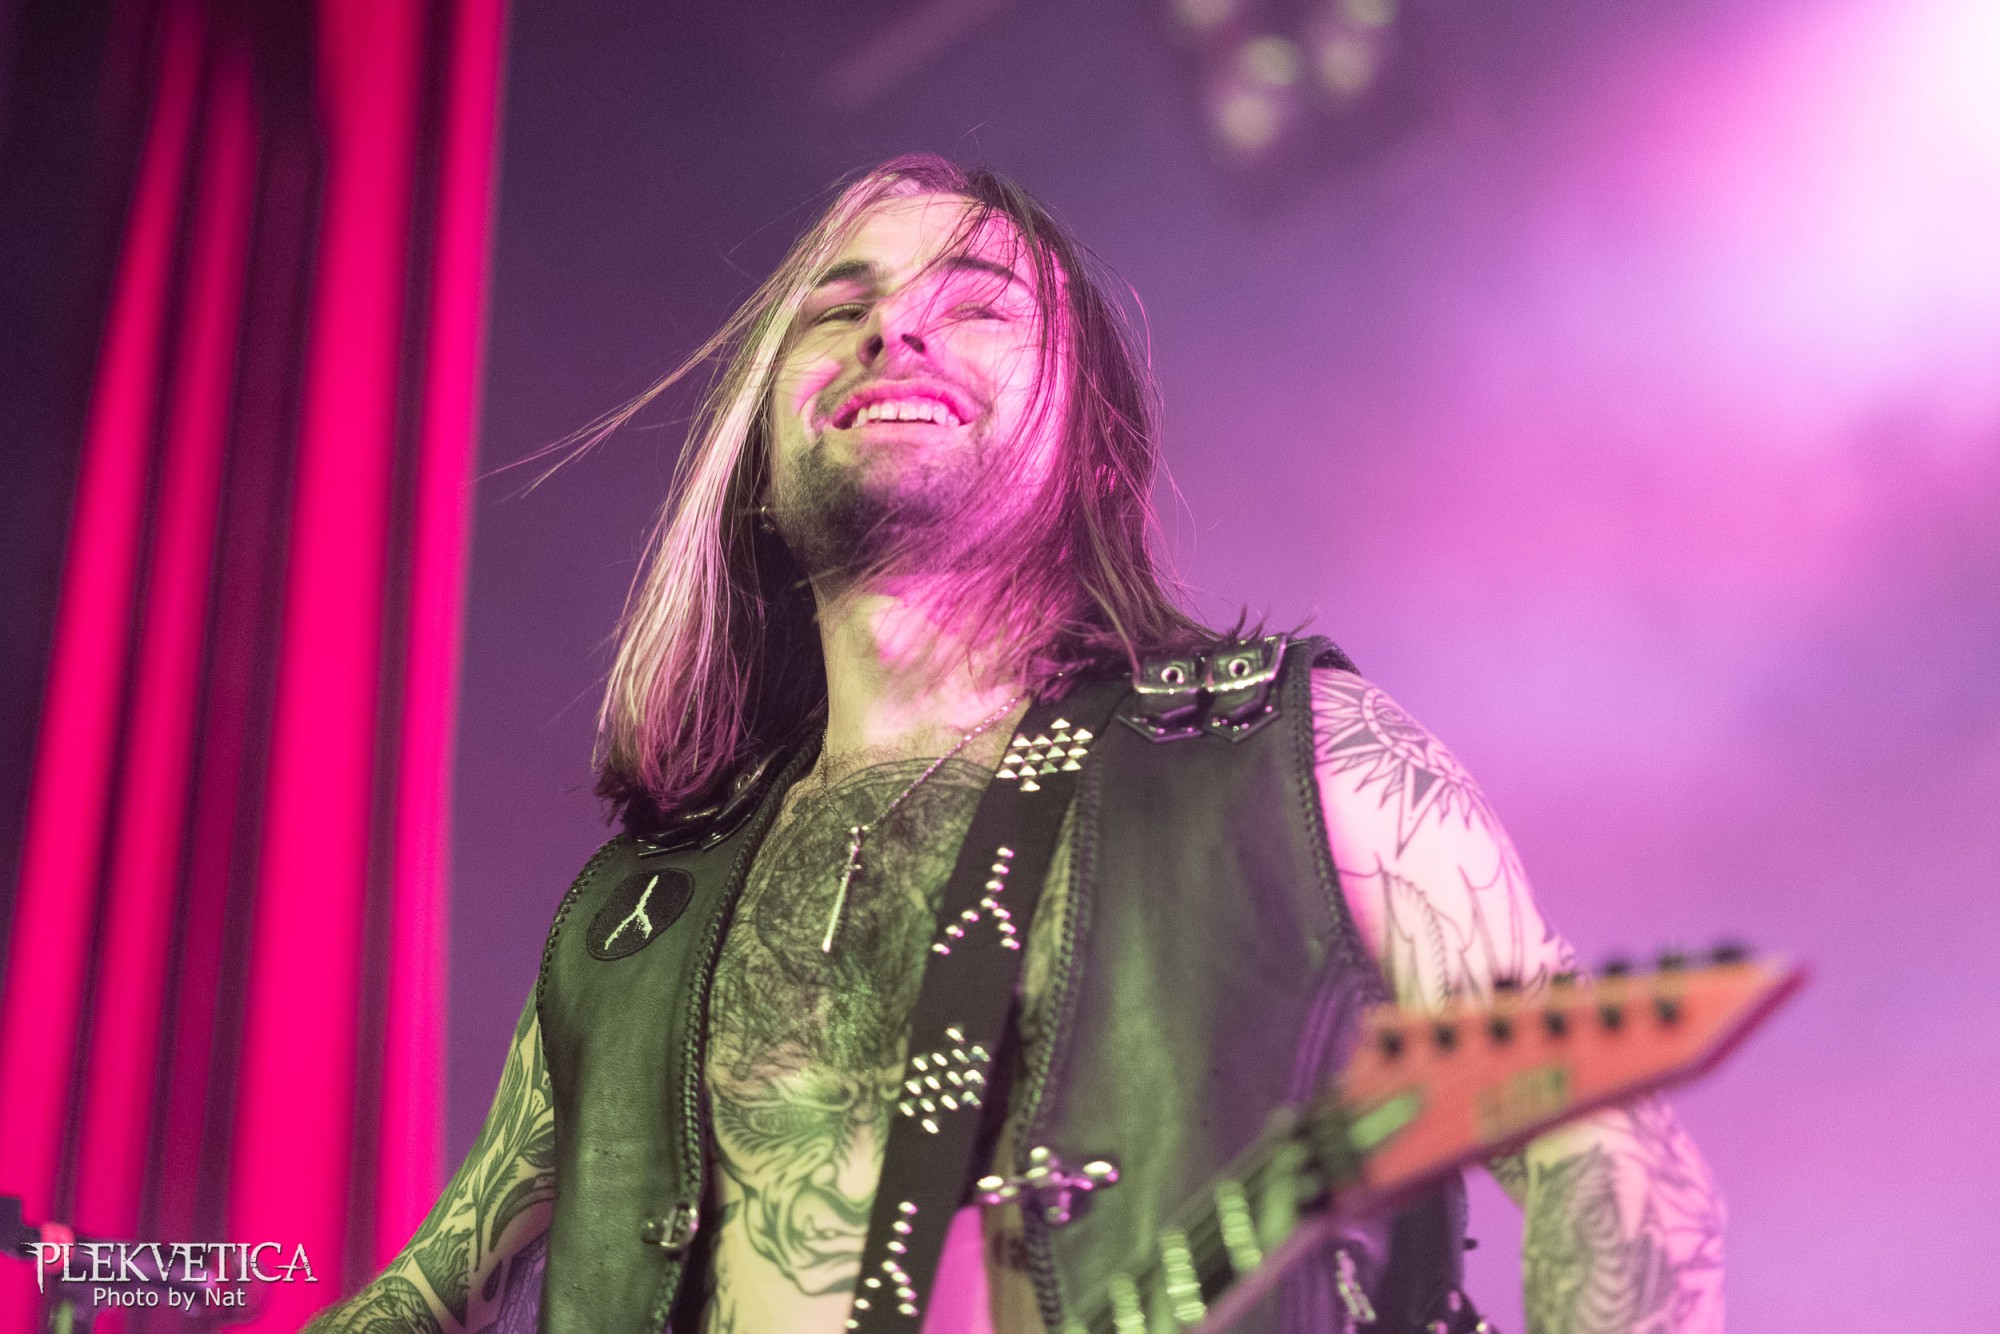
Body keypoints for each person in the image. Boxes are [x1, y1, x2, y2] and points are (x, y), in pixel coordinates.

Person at [306, 155, 1723, 1334]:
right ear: (757, 454)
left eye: (977, 306)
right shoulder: (639, 914)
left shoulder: (1298, 758)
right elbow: (434, 1287)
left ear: (1093, 441)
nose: (893, 333)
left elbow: (1608, 1152)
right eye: (837, 310)